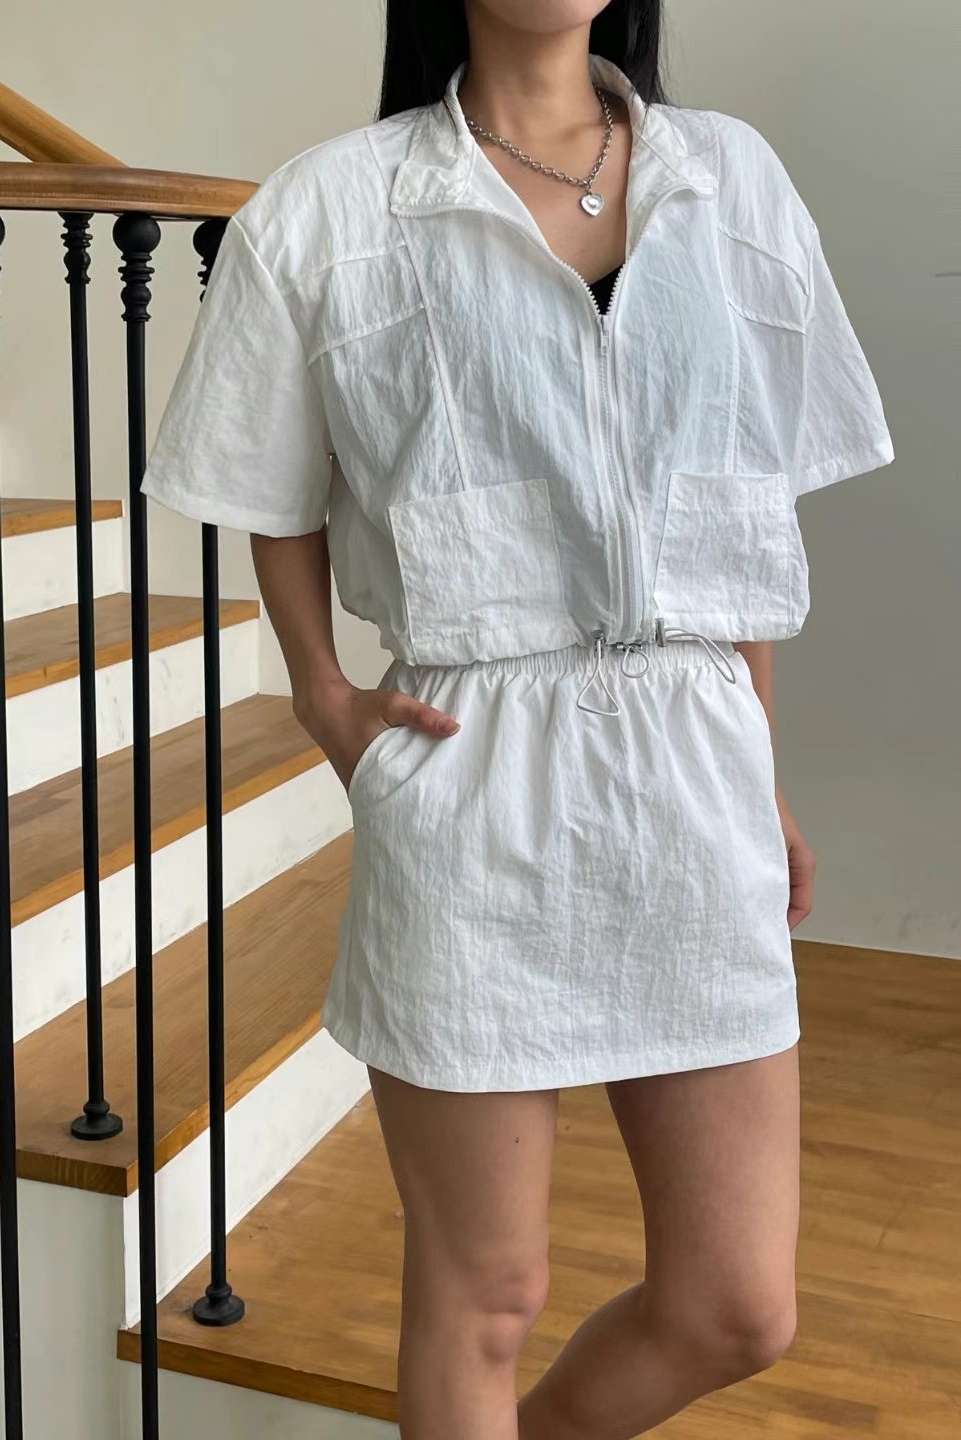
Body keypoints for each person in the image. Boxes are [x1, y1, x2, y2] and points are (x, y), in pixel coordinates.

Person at [140, 3, 894, 1435]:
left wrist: (764, 774)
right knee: (485, 1292)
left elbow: (737, 502)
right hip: (470, 770)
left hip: (696, 759)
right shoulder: (333, 204)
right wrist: (324, 694)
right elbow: (266, 484)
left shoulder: (731, 177)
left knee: (739, 1304)